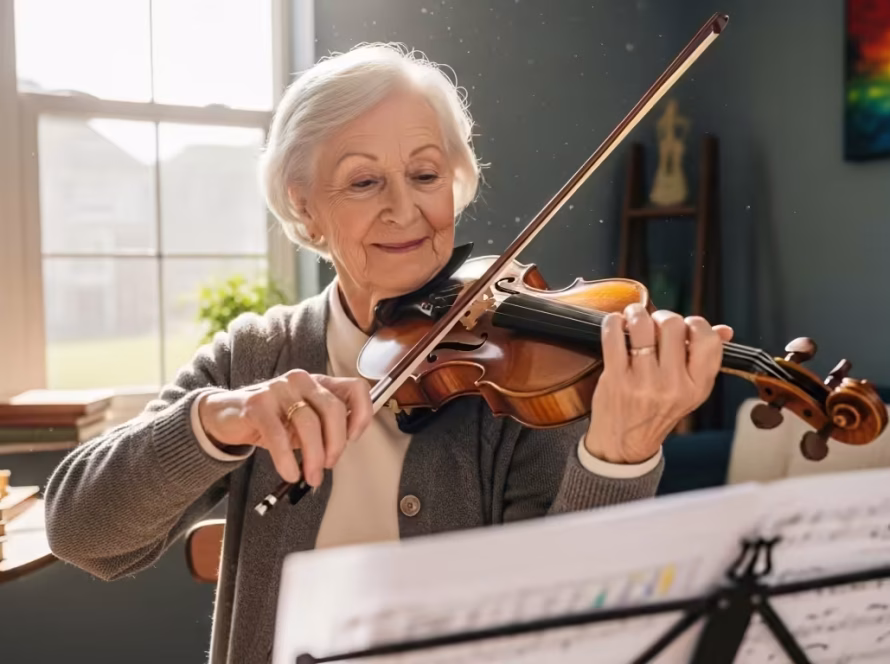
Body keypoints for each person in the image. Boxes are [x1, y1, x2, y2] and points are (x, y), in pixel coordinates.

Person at [44, 43, 732, 663]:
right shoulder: (258, 354)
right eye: (365, 182)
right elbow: (80, 530)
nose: (406, 211)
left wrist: (618, 456)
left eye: (426, 176)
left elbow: (579, 629)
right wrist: (221, 421)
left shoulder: (523, 369)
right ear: (306, 208)